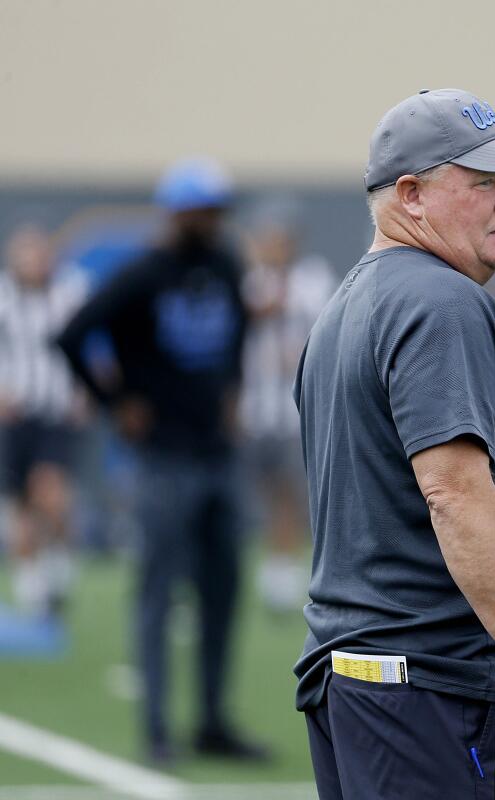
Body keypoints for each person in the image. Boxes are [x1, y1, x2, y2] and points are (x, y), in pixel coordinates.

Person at [293, 88, 495, 800]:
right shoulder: (437, 300)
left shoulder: (355, 302)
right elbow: (452, 490)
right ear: (411, 194)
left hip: (393, 682)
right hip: (439, 685)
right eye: (485, 182)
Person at [57, 158, 262, 765]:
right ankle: (156, 729)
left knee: (224, 589)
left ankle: (212, 723)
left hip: (218, 455)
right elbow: (72, 334)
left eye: (219, 208)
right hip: (162, 460)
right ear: (178, 212)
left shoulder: (226, 264)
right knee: (157, 592)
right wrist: (114, 402)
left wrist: (233, 391)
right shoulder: (142, 274)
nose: (215, 219)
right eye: (205, 209)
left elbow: (240, 332)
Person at [238, 200, 336, 613]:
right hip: (250, 410)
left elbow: (328, 333)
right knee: (253, 493)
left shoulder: (313, 280)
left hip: (295, 412)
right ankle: (264, 571)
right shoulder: (246, 282)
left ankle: (284, 575)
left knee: (290, 494)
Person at [0, 223, 88, 618]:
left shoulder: (67, 295)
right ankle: (32, 583)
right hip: (14, 416)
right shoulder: (3, 299)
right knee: (18, 503)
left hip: (54, 411)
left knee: (50, 492)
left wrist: (85, 389)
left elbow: (88, 344)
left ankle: (57, 564)